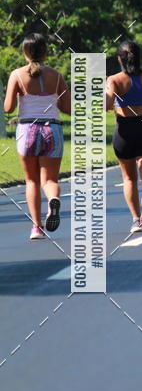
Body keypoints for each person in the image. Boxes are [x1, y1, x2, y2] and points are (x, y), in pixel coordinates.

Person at [3, 33, 71, 239]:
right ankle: (53, 201)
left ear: (25, 52)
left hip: (28, 130)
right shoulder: (56, 76)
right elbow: (67, 108)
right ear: (45, 52)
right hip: (52, 129)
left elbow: (8, 108)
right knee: (49, 180)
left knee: (31, 181)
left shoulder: (17, 75)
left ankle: (37, 227)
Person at [106, 40, 142, 233]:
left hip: (124, 130)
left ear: (119, 59)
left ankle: (135, 219)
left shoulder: (114, 80)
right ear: (139, 57)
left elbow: (107, 105)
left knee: (129, 179)